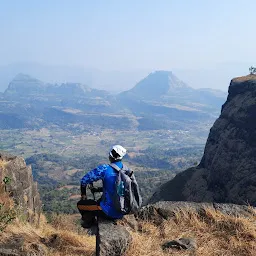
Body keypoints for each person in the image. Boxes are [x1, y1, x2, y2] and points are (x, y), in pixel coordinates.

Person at [79, 145, 128, 223]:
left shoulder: (105, 169)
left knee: (81, 205)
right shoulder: (126, 170)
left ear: (110, 156)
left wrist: (83, 194)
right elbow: (117, 188)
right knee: (99, 200)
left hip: (108, 212)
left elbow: (84, 180)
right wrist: (98, 189)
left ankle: (90, 223)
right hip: (123, 210)